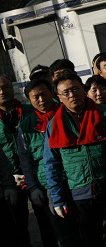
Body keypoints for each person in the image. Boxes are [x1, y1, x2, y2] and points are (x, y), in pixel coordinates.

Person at [43, 72, 106, 247]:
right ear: (59, 97)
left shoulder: (104, 113)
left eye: (75, 89)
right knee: (90, 239)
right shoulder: (54, 125)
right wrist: (57, 197)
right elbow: (51, 163)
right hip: (80, 192)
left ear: (83, 89)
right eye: (66, 92)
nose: (72, 95)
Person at [17, 79, 80, 247]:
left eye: (44, 94)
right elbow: (26, 161)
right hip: (49, 187)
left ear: (51, 93)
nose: (41, 100)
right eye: (35, 97)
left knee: (85, 228)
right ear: (29, 100)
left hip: (76, 180)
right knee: (63, 234)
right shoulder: (26, 127)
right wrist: (33, 188)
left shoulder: (69, 114)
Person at [0, 75, 32, 247]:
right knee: (18, 226)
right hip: (10, 180)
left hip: (35, 175)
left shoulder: (29, 111)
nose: (2, 91)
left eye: (5, 87)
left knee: (48, 221)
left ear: (12, 88)